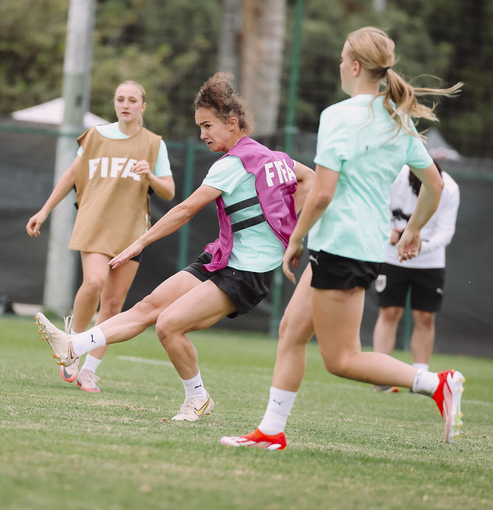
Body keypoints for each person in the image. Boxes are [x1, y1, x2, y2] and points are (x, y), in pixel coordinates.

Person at [220, 27, 465, 450]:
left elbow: (323, 192)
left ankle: (434, 383)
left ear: (354, 66)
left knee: (342, 359)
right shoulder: (398, 120)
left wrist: (296, 237)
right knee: (291, 331)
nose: (338, 66)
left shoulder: (337, 115)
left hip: (343, 247)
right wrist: (413, 230)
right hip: (356, 245)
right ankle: (271, 432)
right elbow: (435, 186)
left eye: (340, 59)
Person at [35, 71, 315, 420]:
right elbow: (310, 179)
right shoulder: (273, 156)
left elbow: (183, 210)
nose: (202, 135)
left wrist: (139, 242)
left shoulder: (232, 164)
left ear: (232, 123)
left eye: (208, 126)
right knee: (147, 306)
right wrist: (290, 229)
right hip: (222, 257)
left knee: (168, 325)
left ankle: (197, 399)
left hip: (245, 272)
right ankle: (73, 345)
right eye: (200, 126)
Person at [27, 81, 176, 392]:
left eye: (132, 100)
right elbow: (71, 175)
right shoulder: (96, 136)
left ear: (142, 106)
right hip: (94, 223)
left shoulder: (153, 144)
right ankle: (71, 347)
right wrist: (44, 211)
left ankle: (90, 370)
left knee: (112, 305)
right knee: (94, 282)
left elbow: (170, 191)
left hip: (132, 232)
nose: (125, 104)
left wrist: (149, 174)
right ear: (115, 103)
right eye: (120, 99)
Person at [371, 161, 460, 392]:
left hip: (429, 260)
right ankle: (381, 375)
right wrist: (386, 233)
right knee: (389, 312)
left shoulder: (448, 188)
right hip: (392, 258)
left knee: (425, 317)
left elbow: (446, 231)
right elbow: (375, 209)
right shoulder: (394, 177)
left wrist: (420, 247)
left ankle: (422, 378)